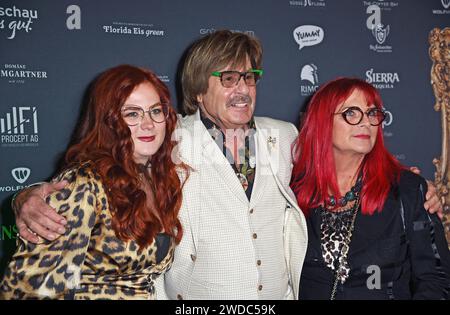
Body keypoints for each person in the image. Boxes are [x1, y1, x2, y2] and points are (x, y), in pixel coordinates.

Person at [10, 31, 443, 300]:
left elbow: (346, 156)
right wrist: (26, 198)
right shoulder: (166, 137)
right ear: (199, 90)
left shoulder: (285, 137)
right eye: (228, 78)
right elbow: (102, 173)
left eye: (249, 77)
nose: (242, 89)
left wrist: (415, 186)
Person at [0, 65, 187, 299]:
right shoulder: (84, 184)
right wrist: (23, 197)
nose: (148, 123)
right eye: (132, 113)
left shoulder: (154, 176)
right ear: (109, 121)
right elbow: (26, 289)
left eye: (155, 111)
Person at [291, 77, 450, 300]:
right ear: (322, 122)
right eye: (352, 113)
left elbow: (438, 279)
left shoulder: (407, 190)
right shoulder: (291, 192)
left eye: (372, 113)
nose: (366, 122)